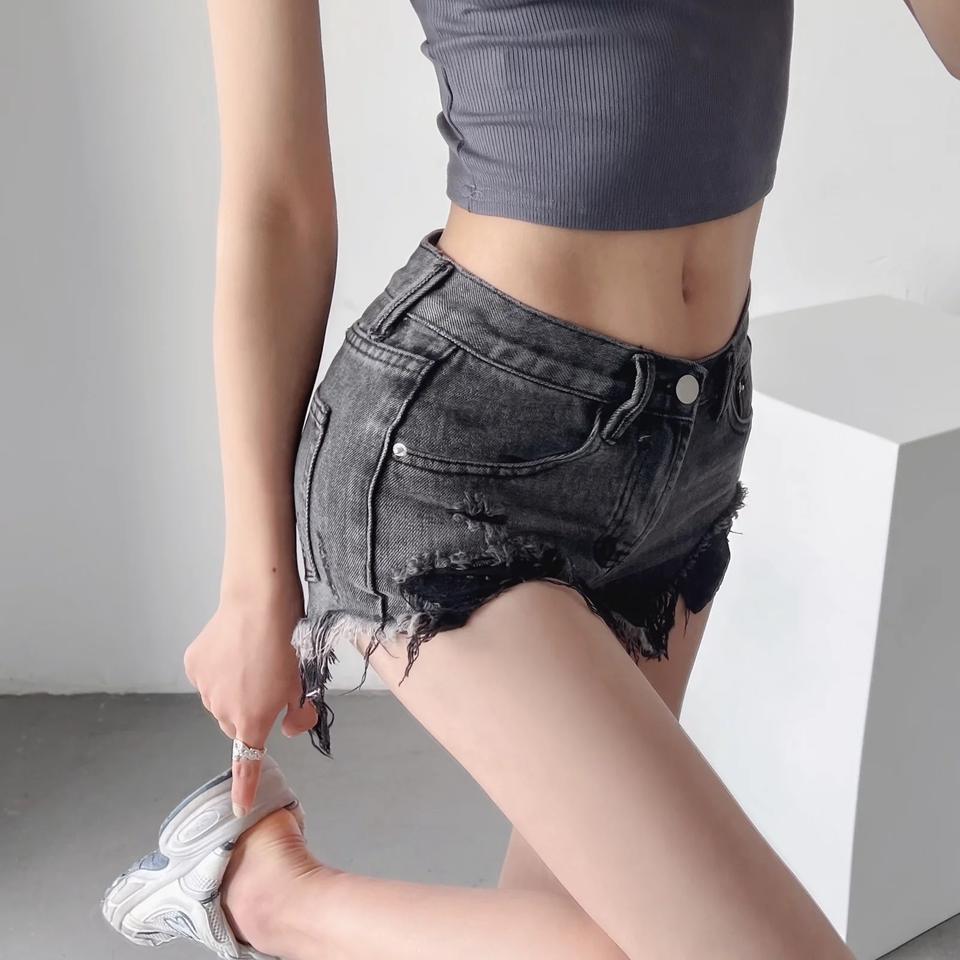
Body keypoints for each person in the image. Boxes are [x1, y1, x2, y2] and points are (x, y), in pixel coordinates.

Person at [102, 2, 959, 958]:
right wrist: (252, 588)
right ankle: (271, 900)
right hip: (460, 451)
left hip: (691, 431)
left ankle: (265, 894)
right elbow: (278, 203)